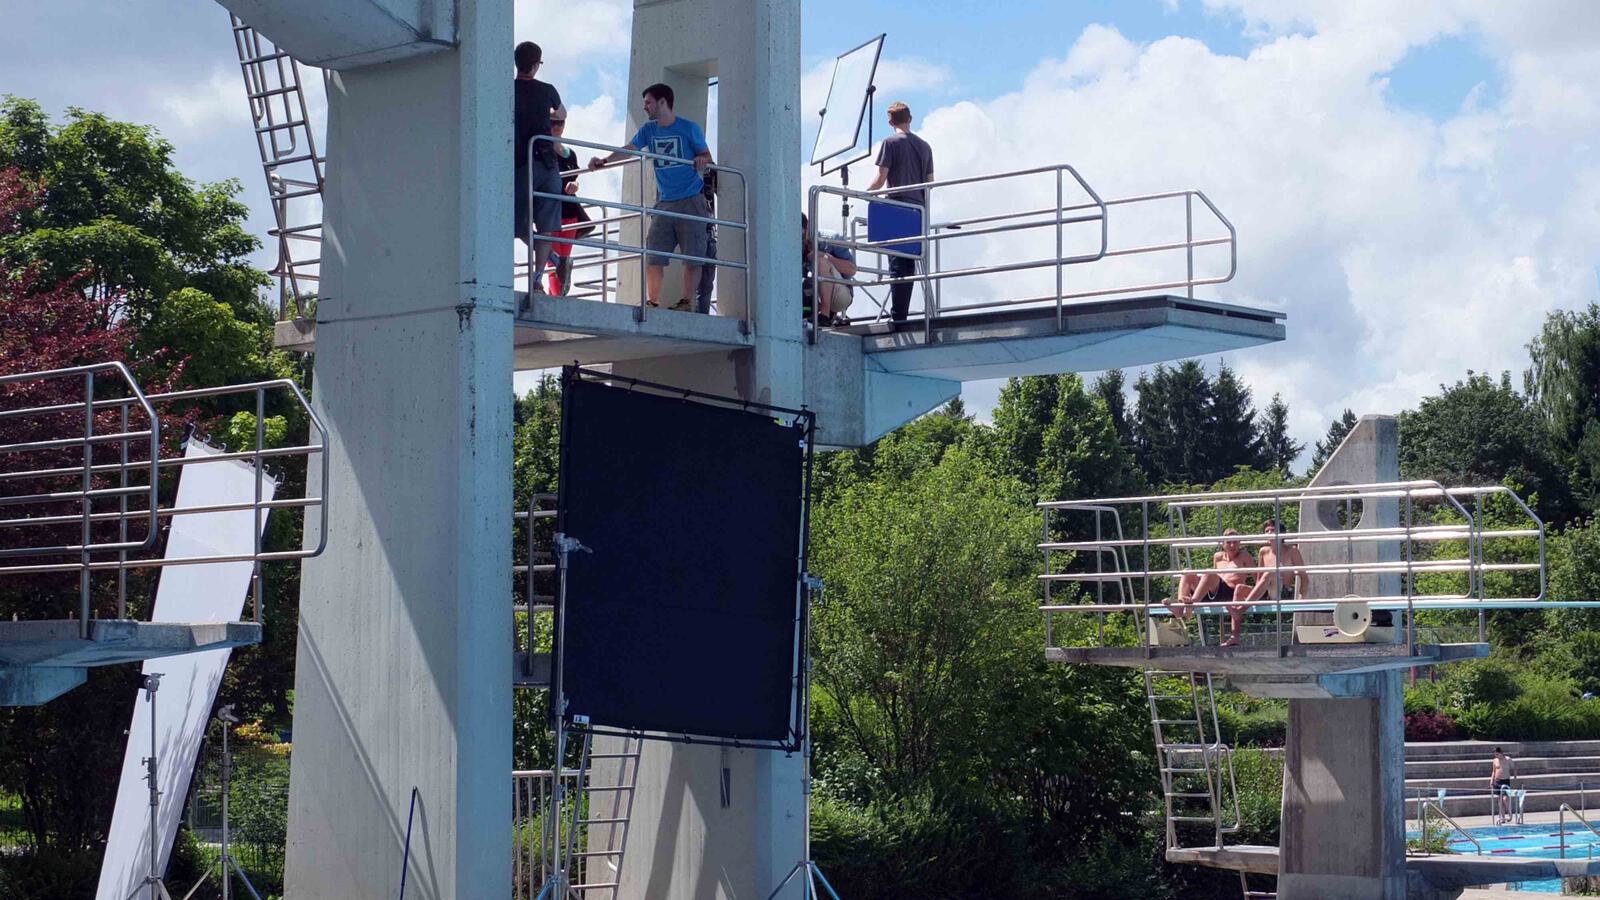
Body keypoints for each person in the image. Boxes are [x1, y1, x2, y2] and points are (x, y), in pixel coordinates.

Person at [589, 83, 712, 311]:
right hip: (664, 202)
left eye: (648, 102)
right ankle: (653, 302)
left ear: (662, 102)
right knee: (653, 253)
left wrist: (702, 159)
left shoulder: (689, 128)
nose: (645, 107)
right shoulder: (649, 130)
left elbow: (706, 155)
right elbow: (630, 148)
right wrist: (604, 161)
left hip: (691, 199)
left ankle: (686, 302)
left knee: (693, 256)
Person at [866, 101, 933, 323]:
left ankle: (898, 317)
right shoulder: (925, 146)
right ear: (910, 119)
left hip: (897, 207)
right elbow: (930, 182)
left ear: (890, 122)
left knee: (897, 264)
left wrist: (865, 194)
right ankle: (901, 314)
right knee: (909, 263)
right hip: (917, 211)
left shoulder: (890, 143)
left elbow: (881, 178)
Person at [513, 42, 565, 300]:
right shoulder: (547, 90)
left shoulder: (508, 89)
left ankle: (552, 262)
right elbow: (561, 113)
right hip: (548, 163)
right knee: (546, 226)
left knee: (516, 223)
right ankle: (539, 277)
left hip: (522, 163)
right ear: (536, 64)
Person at [1171, 528, 1256, 647]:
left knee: (1209, 573)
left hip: (1230, 593)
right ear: (1223, 544)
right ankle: (1180, 605)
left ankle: (1191, 604)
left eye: (1235, 542)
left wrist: (1250, 593)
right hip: (1214, 593)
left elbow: (1258, 579)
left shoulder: (1244, 556)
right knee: (1187, 572)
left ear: (1240, 543)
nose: (1232, 545)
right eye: (1229, 542)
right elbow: (1214, 579)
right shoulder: (1218, 556)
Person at [545, 107, 594, 296]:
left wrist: (575, 185)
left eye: (561, 122)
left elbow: (574, 178)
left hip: (569, 212)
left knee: (564, 260)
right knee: (554, 259)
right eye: (553, 122)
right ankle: (557, 298)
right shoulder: (541, 149)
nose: (557, 126)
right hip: (550, 211)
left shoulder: (570, 153)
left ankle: (556, 297)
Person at [1237, 518, 1310, 642]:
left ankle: (1241, 609)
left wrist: (1301, 599)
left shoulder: (1292, 551)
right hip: (1267, 593)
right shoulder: (1263, 551)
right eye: (1267, 531)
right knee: (1239, 588)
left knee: (1271, 572)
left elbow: (1304, 578)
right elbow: (1259, 578)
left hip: (1283, 593)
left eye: (1272, 530)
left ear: (1281, 533)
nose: (1269, 533)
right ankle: (1235, 633)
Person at [801, 213, 858, 327]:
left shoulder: (829, 239)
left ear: (808, 227)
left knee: (821, 261)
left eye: (801, 235)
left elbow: (852, 269)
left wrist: (825, 256)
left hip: (841, 294)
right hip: (814, 293)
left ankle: (825, 316)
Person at [1492, 747, 1516, 824]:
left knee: (1505, 799)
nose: (1496, 756)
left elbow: (1514, 768)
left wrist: (1515, 777)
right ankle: (1502, 817)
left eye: (1497, 754)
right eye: (1495, 754)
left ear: (1501, 753)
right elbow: (1494, 771)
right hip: (1497, 781)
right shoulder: (1495, 760)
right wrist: (1491, 780)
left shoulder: (1508, 759)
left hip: (1505, 781)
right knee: (1500, 800)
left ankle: (1510, 814)